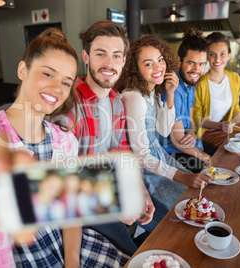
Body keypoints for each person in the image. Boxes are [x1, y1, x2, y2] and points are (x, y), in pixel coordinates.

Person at [0, 28, 130, 267]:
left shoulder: (65, 141)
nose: (57, 88)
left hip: (66, 247)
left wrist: (72, 263)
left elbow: (71, 212)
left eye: (66, 81)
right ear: (23, 70)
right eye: (48, 74)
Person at [58, 20, 156, 256]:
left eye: (115, 56)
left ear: (123, 60)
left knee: (164, 222)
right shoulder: (68, 103)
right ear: (86, 57)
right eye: (100, 54)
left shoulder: (116, 101)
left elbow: (122, 154)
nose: (109, 64)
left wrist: (141, 191)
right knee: (132, 255)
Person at [116, 35, 211, 210]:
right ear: (135, 69)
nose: (158, 66)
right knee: (184, 204)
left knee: (194, 199)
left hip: (158, 157)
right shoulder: (134, 97)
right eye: (148, 63)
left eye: (160, 60)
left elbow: (163, 130)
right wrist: (182, 177)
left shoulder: (151, 91)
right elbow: (141, 156)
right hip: (144, 171)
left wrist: (171, 92)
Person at [194, 32, 240, 152]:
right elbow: (197, 119)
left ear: (229, 55)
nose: (217, 59)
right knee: (234, 152)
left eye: (222, 54)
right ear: (207, 56)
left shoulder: (235, 78)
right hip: (204, 134)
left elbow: (235, 108)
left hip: (224, 132)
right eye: (212, 54)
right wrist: (220, 126)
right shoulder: (200, 84)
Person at [157, 28, 211, 172]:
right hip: (174, 153)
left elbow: (190, 119)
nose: (196, 69)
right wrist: (206, 158)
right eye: (191, 63)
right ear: (179, 61)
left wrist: (192, 134)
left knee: (223, 156)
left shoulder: (190, 84)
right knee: (211, 170)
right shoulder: (173, 88)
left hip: (189, 146)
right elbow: (177, 140)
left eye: (201, 64)